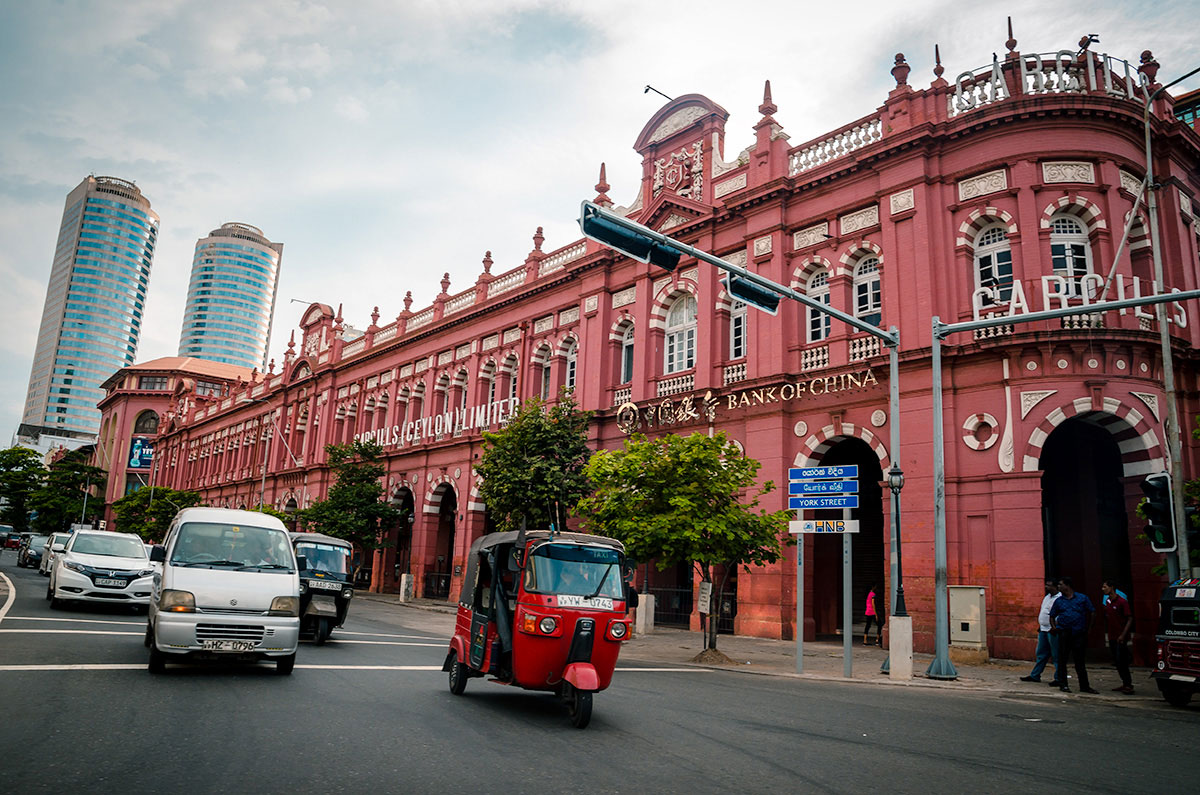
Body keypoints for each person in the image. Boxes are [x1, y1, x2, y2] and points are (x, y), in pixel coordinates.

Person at [1049, 576, 1098, 694]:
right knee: (1062, 660)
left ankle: (1084, 685)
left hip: (1078, 632)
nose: (1059, 586)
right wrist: (1055, 628)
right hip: (1064, 632)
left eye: (1061, 584)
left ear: (1067, 586)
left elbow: (1092, 612)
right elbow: (1052, 615)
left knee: (1079, 660)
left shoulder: (1082, 598)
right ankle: (1063, 684)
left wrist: (1089, 628)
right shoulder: (1059, 601)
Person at [1021, 579, 1061, 684]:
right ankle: (1035, 675)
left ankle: (1059, 678)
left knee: (1056, 654)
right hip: (1043, 628)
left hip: (1053, 629)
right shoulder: (1047, 597)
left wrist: (1055, 626)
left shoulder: (1060, 598)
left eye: (1049, 585)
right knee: (1041, 653)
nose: (1046, 587)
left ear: (1055, 587)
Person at [1101, 580, 1135, 694]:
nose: (1103, 589)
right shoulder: (1108, 602)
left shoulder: (1122, 602)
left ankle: (1128, 684)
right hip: (1112, 636)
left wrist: (1123, 635)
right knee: (1117, 661)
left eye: (1105, 587)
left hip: (1120, 636)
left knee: (1122, 661)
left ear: (1111, 587)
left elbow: (1129, 618)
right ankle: (1125, 683)